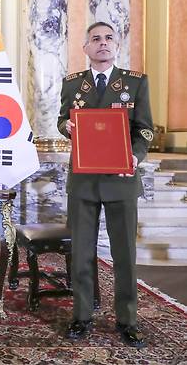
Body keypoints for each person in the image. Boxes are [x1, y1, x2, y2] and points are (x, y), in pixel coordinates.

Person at [58, 22, 153, 348]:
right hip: (83, 181)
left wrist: (136, 158)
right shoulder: (73, 85)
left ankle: (127, 320)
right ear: (85, 48)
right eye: (95, 39)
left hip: (121, 181)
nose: (102, 43)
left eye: (108, 38)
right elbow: (62, 119)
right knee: (82, 253)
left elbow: (144, 130)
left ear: (117, 45)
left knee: (124, 254)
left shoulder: (135, 83)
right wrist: (67, 127)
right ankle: (82, 317)